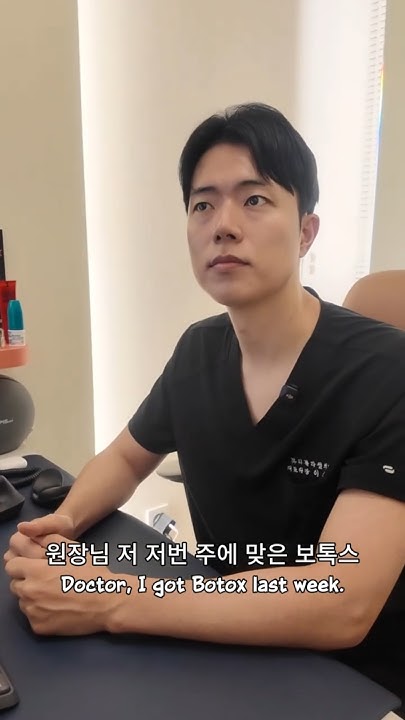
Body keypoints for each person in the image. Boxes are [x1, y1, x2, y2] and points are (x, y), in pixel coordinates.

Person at [3, 103, 405, 714]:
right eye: (202, 205)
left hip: (354, 682)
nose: (223, 226)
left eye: (255, 199)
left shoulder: (386, 370)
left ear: (306, 231)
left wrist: (109, 600)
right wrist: (65, 525)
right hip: (222, 642)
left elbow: (340, 599)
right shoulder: (199, 350)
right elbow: (127, 456)